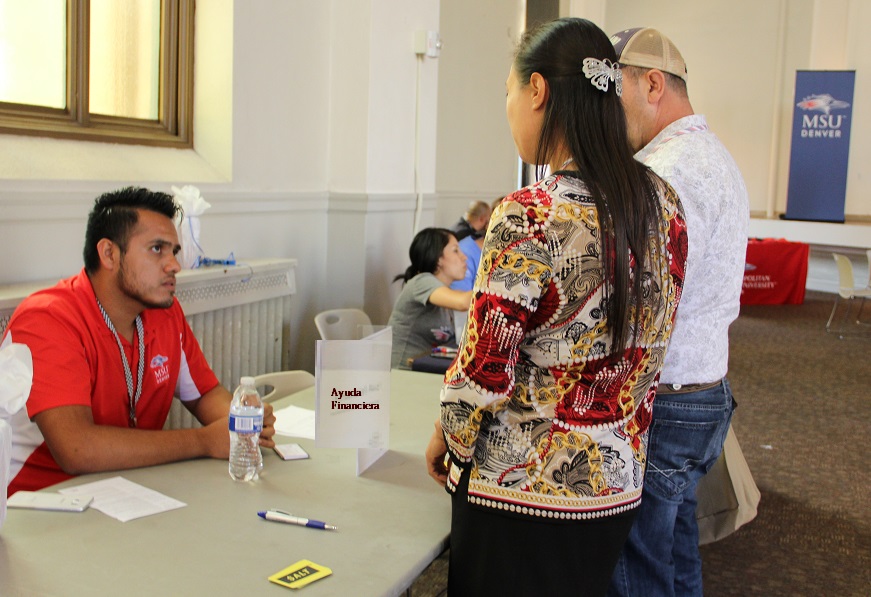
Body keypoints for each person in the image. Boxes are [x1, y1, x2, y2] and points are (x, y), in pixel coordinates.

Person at [424, 18, 687, 596]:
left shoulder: (528, 214)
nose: (510, 109)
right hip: (616, 483)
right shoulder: (663, 205)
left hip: (523, 494)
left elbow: (484, 369)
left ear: (537, 91)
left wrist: (450, 435)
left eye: (509, 94)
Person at [1, 187, 276, 495]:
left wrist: (242, 419)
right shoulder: (48, 319)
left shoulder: (163, 313)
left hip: (125, 491)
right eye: (157, 249)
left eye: (174, 251)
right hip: (36, 505)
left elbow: (204, 394)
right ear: (109, 254)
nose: (174, 265)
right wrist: (204, 441)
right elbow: (77, 449)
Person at [606, 28, 749, 597]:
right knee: (676, 548)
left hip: (664, 399)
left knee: (635, 564)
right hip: (704, 387)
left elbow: (644, 299)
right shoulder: (712, 155)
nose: (608, 121)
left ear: (653, 84)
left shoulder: (664, 172)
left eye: (613, 99)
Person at [388, 228, 473, 369]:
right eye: (455, 251)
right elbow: (463, 302)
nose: (464, 257)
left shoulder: (446, 291)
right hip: (403, 374)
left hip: (427, 370)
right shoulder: (421, 282)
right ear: (438, 259)